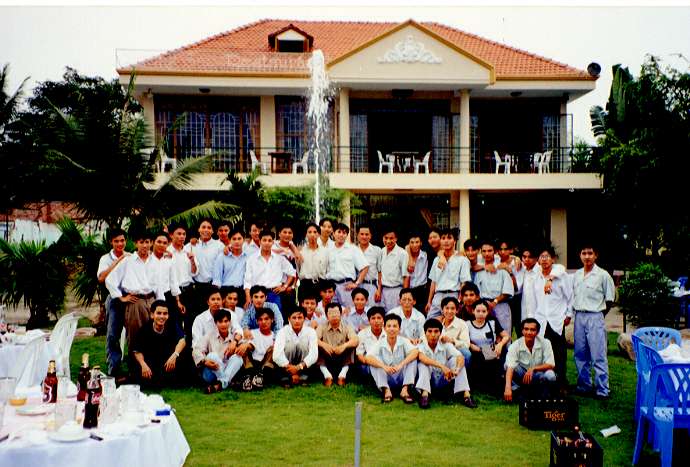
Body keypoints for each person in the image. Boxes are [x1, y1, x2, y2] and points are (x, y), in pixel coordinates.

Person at [105, 229, 165, 359]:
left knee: (152, 334)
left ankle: (150, 364)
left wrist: (161, 305)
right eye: (141, 242)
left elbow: (159, 286)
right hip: (135, 302)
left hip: (152, 301)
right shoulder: (128, 261)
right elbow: (110, 280)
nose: (144, 245)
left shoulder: (155, 262)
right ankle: (135, 366)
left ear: (151, 243)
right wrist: (121, 297)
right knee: (135, 335)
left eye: (147, 242)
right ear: (136, 243)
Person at [572, 243, 615, 400]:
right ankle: (584, 385)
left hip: (595, 316)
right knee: (580, 353)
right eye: (584, 253)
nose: (587, 256)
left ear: (596, 255)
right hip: (579, 317)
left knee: (598, 354)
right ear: (580, 255)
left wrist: (599, 315)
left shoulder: (603, 275)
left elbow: (609, 299)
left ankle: (603, 389)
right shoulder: (576, 275)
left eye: (590, 253)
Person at [533, 246, 572, 388]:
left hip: (556, 320)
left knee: (559, 353)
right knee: (542, 352)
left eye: (547, 256)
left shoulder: (561, 276)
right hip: (541, 321)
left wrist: (568, 314)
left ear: (553, 259)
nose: (544, 260)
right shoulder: (536, 276)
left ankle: (561, 383)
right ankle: (545, 382)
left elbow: (570, 297)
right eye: (541, 257)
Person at [416, 318, 477, 409]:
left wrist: (457, 370)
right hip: (429, 381)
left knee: (455, 361)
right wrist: (442, 366)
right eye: (430, 331)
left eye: (436, 331)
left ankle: (466, 395)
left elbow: (460, 357)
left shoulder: (445, 344)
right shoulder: (421, 345)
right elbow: (422, 358)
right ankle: (424, 396)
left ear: (440, 333)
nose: (433, 335)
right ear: (425, 333)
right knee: (423, 364)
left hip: (444, 379)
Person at [131, 300, 186, 389]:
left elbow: (182, 340)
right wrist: (143, 364)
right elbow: (137, 351)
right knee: (141, 374)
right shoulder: (144, 330)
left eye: (165, 314)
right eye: (159, 313)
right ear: (152, 315)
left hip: (168, 360)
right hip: (151, 361)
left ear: (168, 315)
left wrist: (174, 355)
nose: (162, 316)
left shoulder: (172, 325)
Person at [97, 228, 130, 377]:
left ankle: (135, 368)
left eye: (122, 240)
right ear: (111, 242)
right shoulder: (105, 258)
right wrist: (118, 261)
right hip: (114, 299)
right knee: (112, 335)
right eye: (116, 241)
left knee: (133, 333)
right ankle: (114, 370)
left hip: (130, 298)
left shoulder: (131, 256)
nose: (120, 244)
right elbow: (101, 278)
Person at [366, 314, 418, 403]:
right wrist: (384, 366)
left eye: (394, 326)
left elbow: (415, 352)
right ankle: (386, 390)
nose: (392, 329)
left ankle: (405, 390)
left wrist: (401, 365)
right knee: (374, 363)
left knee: (413, 360)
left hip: (401, 376)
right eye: (389, 326)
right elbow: (368, 357)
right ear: (384, 328)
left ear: (399, 328)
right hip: (386, 376)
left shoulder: (404, 341)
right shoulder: (380, 342)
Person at [243, 229, 296, 317]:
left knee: (276, 319)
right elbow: (247, 281)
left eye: (269, 240)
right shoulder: (252, 259)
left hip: (274, 294)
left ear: (273, 242)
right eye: (264, 240)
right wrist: (248, 297)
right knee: (258, 319)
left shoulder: (279, 258)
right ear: (260, 241)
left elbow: (292, 272)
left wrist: (285, 286)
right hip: (257, 295)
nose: (267, 243)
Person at [504, 318, 557, 402]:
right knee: (507, 365)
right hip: (522, 374)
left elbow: (551, 364)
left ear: (537, 332)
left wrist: (533, 369)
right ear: (522, 331)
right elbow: (510, 367)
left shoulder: (546, 342)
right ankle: (517, 390)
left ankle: (545, 395)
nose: (529, 332)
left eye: (532, 330)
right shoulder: (515, 345)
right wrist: (507, 388)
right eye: (526, 329)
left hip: (539, 374)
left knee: (550, 375)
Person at [192, 308, 243, 394]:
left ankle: (219, 385)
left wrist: (237, 345)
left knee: (238, 358)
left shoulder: (234, 338)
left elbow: (245, 345)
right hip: (210, 373)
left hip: (227, 370)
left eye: (226, 321)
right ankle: (227, 382)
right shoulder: (209, 336)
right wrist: (204, 361)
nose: (223, 324)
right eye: (220, 322)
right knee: (212, 356)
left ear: (230, 322)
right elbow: (196, 350)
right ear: (216, 323)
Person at [185, 219, 223, 327]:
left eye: (209, 228)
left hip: (212, 287)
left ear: (213, 231)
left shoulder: (219, 246)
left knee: (212, 318)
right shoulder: (191, 245)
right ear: (199, 229)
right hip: (195, 288)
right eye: (203, 227)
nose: (206, 230)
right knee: (194, 318)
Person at [467, 299, 509, 396]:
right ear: (473, 311)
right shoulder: (467, 324)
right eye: (478, 311)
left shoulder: (492, 322)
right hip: (476, 353)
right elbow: (465, 340)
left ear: (487, 312)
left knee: (502, 352)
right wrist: (472, 345)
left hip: (491, 351)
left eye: (483, 311)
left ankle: (498, 385)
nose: (481, 314)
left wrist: (500, 344)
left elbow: (506, 336)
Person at [426, 229, 471, 318]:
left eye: (449, 238)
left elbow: (463, 283)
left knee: (451, 323)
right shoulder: (437, 260)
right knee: (430, 322)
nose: (446, 241)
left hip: (453, 295)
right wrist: (429, 301)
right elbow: (433, 282)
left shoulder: (462, 260)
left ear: (455, 241)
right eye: (443, 238)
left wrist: (459, 301)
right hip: (438, 296)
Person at [475, 240, 514, 338]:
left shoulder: (502, 268)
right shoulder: (479, 271)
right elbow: (476, 292)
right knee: (486, 336)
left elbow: (508, 291)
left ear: (495, 252)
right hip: (484, 307)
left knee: (505, 335)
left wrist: (495, 301)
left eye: (489, 251)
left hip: (501, 306)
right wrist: (485, 304)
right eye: (484, 251)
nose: (487, 254)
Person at [273, 306, 319, 387]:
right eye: (294, 318)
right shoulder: (282, 332)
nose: (297, 321)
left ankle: (303, 377)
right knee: (290, 346)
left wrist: (298, 367)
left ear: (304, 319)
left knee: (303, 345)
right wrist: (291, 368)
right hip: (286, 367)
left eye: (300, 318)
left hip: (303, 367)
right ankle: (288, 377)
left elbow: (314, 354)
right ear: (289, 319)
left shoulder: (311, 332)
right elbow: (276, 355)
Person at [326, 223, 369, 309]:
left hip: (347, 287)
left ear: (347, 235)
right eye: (339, 232)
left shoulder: (352, 249)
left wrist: (356, 283)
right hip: (331, 287)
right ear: (333, 233)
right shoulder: (328, 249)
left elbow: (365, 267)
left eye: (344, 233)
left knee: (349, 311)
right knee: (332, 312)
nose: (341, 235)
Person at [316, 303, 359, 386]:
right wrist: (324, 345)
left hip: (342, 356)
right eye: (331, 313)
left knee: (351, 346)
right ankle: (327, 376)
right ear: (326, 316)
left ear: (341, 314)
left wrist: (344, 346)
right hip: (327, 356)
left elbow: (356, 340)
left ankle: (342, 376)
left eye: (336, 312)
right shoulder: (322, 326)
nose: (334, 315)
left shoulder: (347, 327)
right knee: (318, 346)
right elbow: (313, 339)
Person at [167, 223, 196, 342]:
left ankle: (189, 349)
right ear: (171, 235)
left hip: (188, 290)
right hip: (173, 292)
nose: (182, 236)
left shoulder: (188, 250)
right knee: (174, 323)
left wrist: (192, 260)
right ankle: (176, 350)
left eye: (184, 234)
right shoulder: (167, 252)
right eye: (178, 234)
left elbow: (194, 272)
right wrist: (177, 299)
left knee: (190, 322)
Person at [235, 307, 276, 391]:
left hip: (266, 366)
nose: (263, 322)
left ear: (272, 320)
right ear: (257, 321)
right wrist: (247, 345)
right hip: (252, 364)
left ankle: (258, 378)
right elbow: (246, 346)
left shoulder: (275, 336)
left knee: (273, 349)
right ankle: (249, 378)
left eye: (266, 319)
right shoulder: (252, 333)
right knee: (243, 347)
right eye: (260, 319)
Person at [150, 231, 184, 330]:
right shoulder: (147, 259)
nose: (161, 245)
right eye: (159, 242)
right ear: (153, 242)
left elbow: (173, 281)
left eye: (165, 243)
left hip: (167, 296)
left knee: (171, 327)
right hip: (151, 297)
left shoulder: (169, 260)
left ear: (168, 244)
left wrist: (178, 301)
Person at [379, 229, 409, 312]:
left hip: (396, 291)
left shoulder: (402, 253)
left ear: (396, 239)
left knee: (395, 315)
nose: (388, 241)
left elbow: (406, 276)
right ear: (382, 238)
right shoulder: (381, 252)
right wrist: (379, 290)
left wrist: (404, 296)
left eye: (391, 238)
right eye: (386, 238)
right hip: (383, 291)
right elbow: (379, 273)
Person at [212, 227, 248, 296]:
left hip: (242, 291)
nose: (237, 241)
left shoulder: (248, 256)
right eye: (234, 239)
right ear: (230, 240)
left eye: (239, 239)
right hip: (226, 291)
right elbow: (217, 279)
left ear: (244, 240)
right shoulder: (222, 257)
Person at [297, 222, 328, 301]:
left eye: (315, 232)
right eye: (309, 232)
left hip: (320, 285)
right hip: (305, 285)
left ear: (318, 234)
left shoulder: (325, 252)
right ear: (306, 234)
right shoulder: (301, 252)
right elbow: (298, 268)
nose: (312, 234)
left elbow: (327, 269)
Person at [438, 297, 472, 364]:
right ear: (442, 310)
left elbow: (466, 344)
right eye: (447, 308)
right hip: (438, 350)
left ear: (457, 310)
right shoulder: (437, 322)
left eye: (452, 308)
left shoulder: (462, 324)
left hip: (454, 351)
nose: (449, 311)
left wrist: (452, 341)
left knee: (466, 353)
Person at [355, 306, 387, 378]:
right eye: (373, 318)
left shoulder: (388, 333)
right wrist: (372, 362)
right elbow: (359, 355)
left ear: (383, 320)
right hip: (369, 365)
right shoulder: (362, 334)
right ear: (369, 320)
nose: (376, 321)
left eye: (379, 318)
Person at [356, 225, 382, 305]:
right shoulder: (353, 250)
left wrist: (379, 290)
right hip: (357, 287)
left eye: (367, 234)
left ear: (370, 236)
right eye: (362, 234)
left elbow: (380, 272)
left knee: (372, 310)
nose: (364, 237)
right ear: (357, 235)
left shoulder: (377, 250)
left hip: (371, 286)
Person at [405, 233, 428, 311]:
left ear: (421, 243)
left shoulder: (426, 255)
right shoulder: (404, 256)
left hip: (422, 291)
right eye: (412, 242)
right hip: (408, 290)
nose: (414, 245)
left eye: (417, 242)